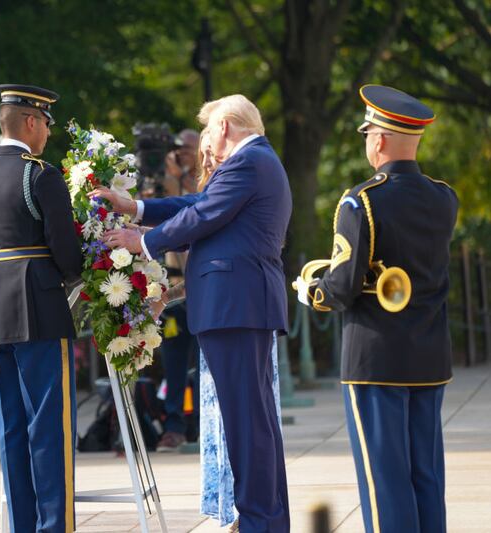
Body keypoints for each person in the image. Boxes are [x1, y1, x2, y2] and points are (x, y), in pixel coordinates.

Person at [97, 94, 292, 532]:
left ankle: (262, 521)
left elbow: (204, 213)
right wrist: (138, 209)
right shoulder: (255, 162)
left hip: (236, 305)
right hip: (240, 304)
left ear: (224, 126)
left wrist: (141, 242)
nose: (206, 141)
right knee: (252, 421)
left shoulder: (248, 162)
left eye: (208, 130)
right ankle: (266, 518)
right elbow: (195, 206)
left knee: (246, 423)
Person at [295, 85, 458, 533]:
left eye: (368, 132)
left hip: (376, 358)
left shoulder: (362, 199)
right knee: (426, 475)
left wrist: (310, 289)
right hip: (429, 357)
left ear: (380, 139)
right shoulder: (445, 198)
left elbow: (342, 289)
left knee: (384, 479)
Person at [0, 84, 82, 533]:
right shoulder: (41, 175)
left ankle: (23, 525)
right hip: (38, 303)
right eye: (46, 124)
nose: (48, 133)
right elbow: (66, 253)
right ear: (31, 121)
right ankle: (55, 526)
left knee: (11, 426)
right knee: (49, 424)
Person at [156, 129, 201, 452]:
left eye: (187, 149)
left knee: (203, 363)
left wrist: (183, 178)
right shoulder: (168, 182)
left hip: (200, 290)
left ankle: (200, 422)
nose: (181, 154)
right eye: (178, 150)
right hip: (173, 290)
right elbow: (164, 209)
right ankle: (174, 424)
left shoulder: (209, 181)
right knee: (173, 362)